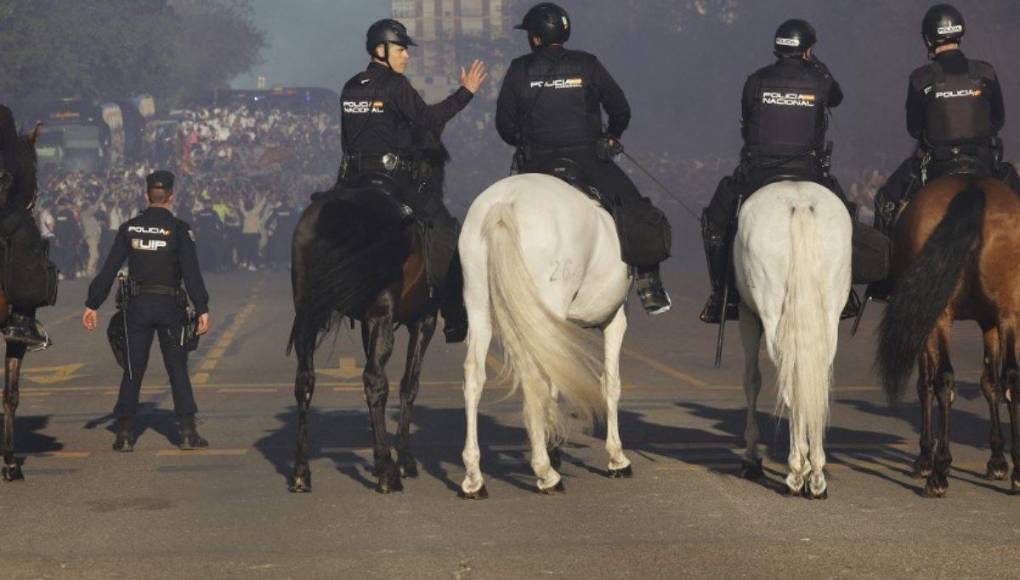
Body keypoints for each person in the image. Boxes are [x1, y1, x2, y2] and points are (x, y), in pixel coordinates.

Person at [496, 2, 672, 315]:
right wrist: (612, 136)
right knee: (636, 208)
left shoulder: (519, 69)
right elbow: (620, 109)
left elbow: (504, 126)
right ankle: (649, 283)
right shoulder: (587, 64)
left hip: (537, 164)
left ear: (535, 38)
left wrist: (524, 141)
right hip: (589, 160)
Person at [336, 18, 487, 342]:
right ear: (381, 50)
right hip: (391, 178)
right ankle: (453, 314)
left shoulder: (349, 86)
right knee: (446, 229)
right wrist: (466, 92)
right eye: (401, 49)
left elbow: (346, 140)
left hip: (352, 179)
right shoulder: (395, 86)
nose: (406, 56)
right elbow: (429, 121)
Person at [700, 18, 848, 323]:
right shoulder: (820, 81)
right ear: (807, 50)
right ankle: (848, 296)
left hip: (759, 173)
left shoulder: (755, 81)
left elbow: (746, 127)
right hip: (810, 172)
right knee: (848, 218)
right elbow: (837, 98)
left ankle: (721, 296)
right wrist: (817, 64)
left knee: (715, 222)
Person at [83, 171, 211, 452]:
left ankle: (125, 434)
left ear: (146, 196)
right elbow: (191, 273)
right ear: (172, 197)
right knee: (177, 368)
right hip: (170, 307)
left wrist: (93, 303)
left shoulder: (130, 228)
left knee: (132, 370)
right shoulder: (179, 229)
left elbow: (110, 268)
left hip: (137, 306)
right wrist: (202, 307)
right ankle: (188, 432)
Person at [873, 3, 1020, 234]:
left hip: (937, 165)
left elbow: (914, 129)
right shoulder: (986, 71)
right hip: (984, 161)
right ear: (960, 33)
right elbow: (998, 120)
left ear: (929, 40)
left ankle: (887, 266)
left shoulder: (920, 78)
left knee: (885, 203)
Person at [0, 105, 53, 347]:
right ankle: (23, 321)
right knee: (32, 256)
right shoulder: (20, 151)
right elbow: (28, 192)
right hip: (12, 218)